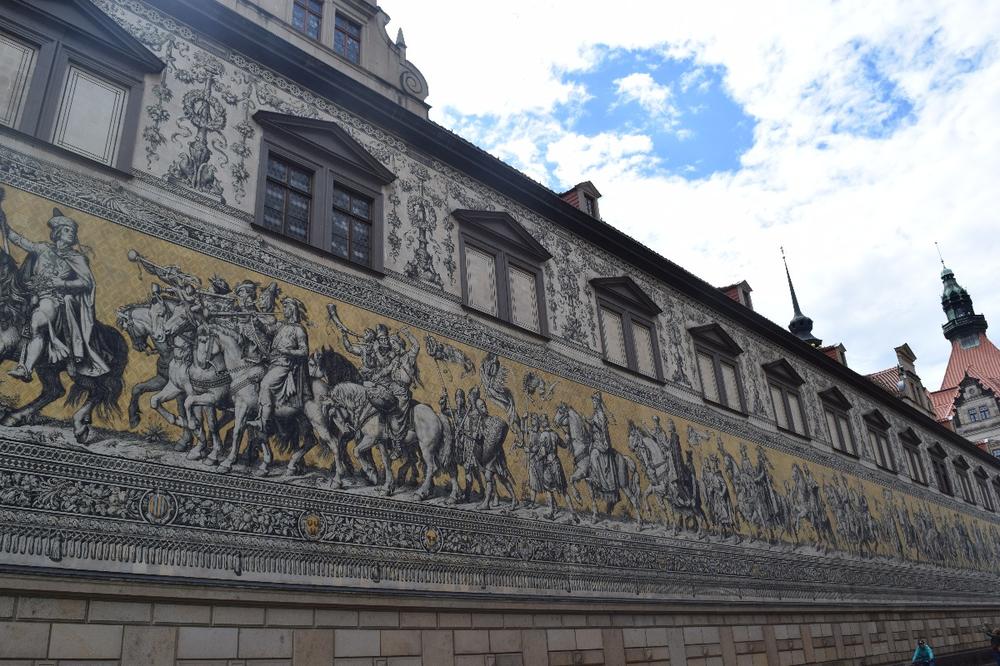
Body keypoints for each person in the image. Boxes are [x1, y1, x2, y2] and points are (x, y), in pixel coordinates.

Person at [3, 208, 109, 381]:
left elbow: (86, 283)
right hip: (29, 295)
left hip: (51, 299)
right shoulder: (43, 248)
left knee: (36, 323)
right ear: (58, 232)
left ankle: (26, 368)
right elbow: (20, 241)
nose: (71, 233)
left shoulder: (77, 258)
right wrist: (4, 224)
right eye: (67, 230)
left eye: (73, 231)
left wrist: (62, 283)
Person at [249, 297, 310, 430]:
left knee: (265, 384)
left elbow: (304, 351)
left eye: (286, 307)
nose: (283, 310)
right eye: (283, 307)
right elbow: (268, 330)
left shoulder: (298, 330)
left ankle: (263, 422)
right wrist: (257, 321)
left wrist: (288, 351)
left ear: (292, 310)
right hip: (272, 362)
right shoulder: (281, 324)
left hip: (284, 364)